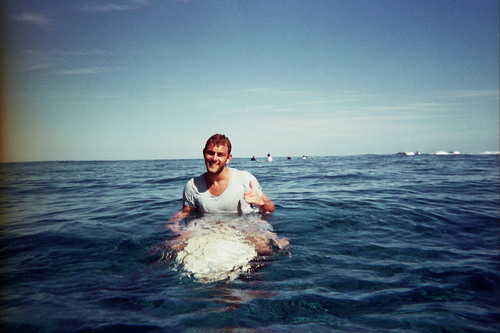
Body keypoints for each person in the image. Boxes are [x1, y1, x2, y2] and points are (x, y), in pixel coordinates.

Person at [170, 134, 275, 226]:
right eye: (211, 153)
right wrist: (173, 223)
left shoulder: (245, 178)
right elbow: (186, 213)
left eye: (220, 155)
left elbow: (270, 207)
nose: (214, 158)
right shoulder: (193, 186)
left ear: (228, 158)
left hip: (247, 227)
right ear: (204, 153)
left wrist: (261, 203)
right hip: (211, 229)